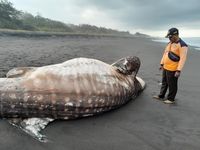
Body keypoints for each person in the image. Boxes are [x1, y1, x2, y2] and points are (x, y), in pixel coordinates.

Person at [153, 28, 188, 104]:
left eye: (170, 37)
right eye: (168, 37)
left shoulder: (183, 45)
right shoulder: (169, 43)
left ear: (176, 35)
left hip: (173, 69)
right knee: (164, 82)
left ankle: (171, 99)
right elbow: (165, 53)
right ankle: (161, 95)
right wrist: (162, 64)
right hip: (166, 67)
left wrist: (178, 70)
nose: (169, 38)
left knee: (172, 84)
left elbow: (183, 59)